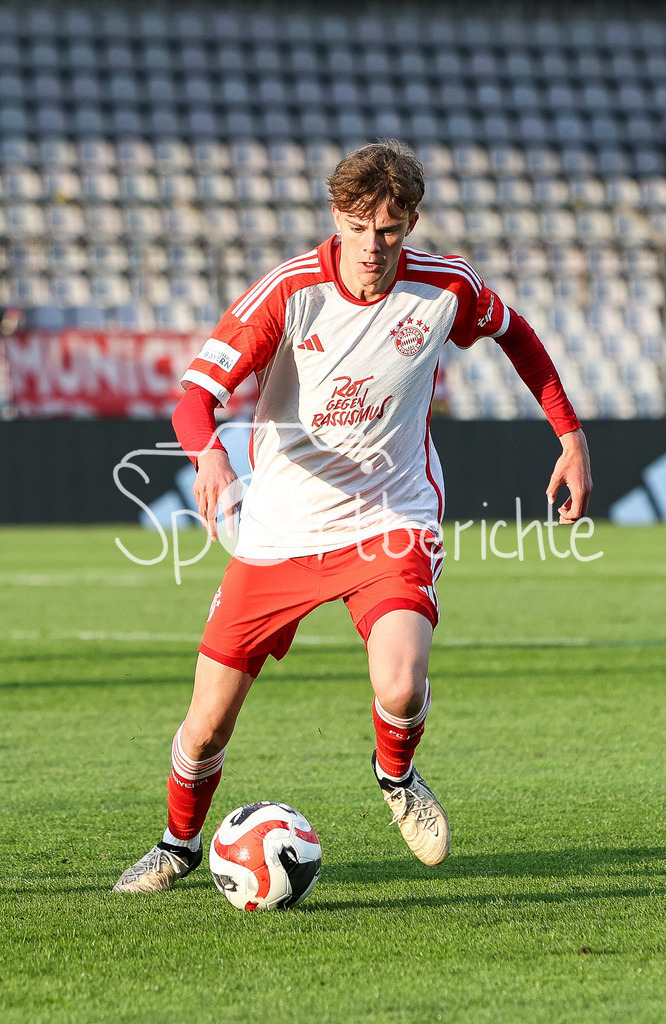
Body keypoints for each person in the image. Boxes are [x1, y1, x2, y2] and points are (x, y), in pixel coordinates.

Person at [113, 140, 592, 893]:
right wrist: (208, 455)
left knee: (400, 684)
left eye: (391, 230)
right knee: (206, 722)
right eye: (358, 227)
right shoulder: (289, 291)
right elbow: (192, 399)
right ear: (336, 217)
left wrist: (570, 435)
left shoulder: (446, 288)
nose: (373, 246)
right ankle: (177, 846)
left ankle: (396, 777)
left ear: (410, 225)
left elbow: (518, 336)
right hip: (280, 526)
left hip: (389, 516)